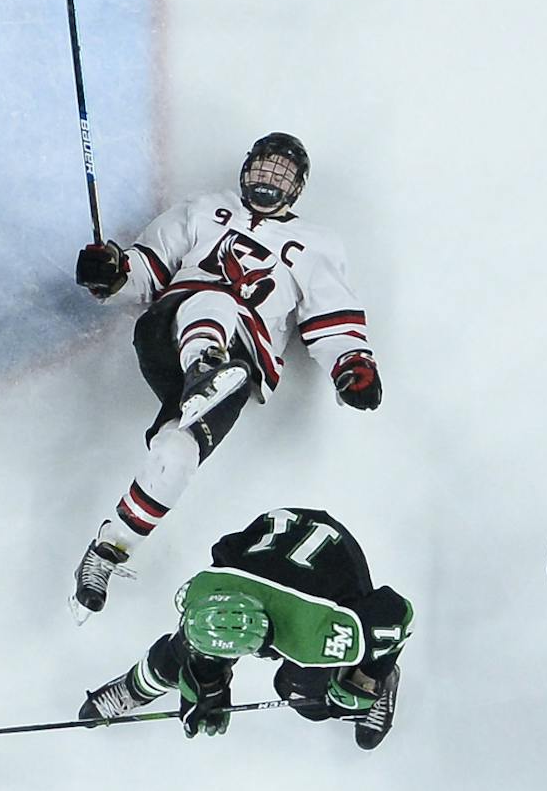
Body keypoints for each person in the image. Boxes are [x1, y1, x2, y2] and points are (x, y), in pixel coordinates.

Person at [67, 133, 381, 615]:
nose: (268, 180)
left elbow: (332, 319)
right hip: (168, 332)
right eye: (263, 167)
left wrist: (353, 365)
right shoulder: (203, 210)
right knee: (215, 302)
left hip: (241, 366)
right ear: (245, 169)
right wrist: (111, 272)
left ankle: (107, 552)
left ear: (297, 188)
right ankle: (204, 367)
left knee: (177, 453)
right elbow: (146, 269)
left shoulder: (317, 245)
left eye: (282, 175)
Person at [78, 507, 412, 751]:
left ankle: (383, 682)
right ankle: (133, 688)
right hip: (265, 557)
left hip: (328, 572)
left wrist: (368, 675)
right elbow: (195, 642)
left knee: (304, 695)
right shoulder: (203, 591)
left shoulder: (316, 636)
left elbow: (398, 613)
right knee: (181, 652)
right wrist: (202, 677)